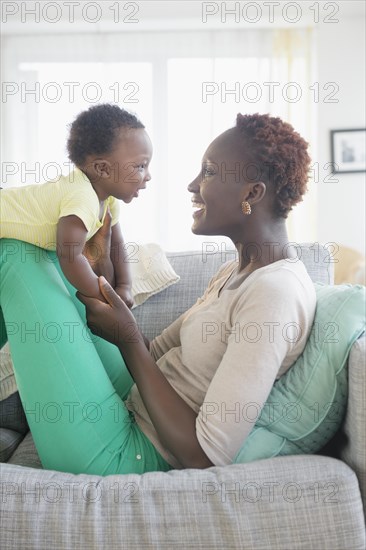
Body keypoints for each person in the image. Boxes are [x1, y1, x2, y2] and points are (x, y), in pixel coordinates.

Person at [0, 113, 316, 475]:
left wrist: (128, 337)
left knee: (14, 254)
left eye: (209, 172)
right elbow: (153, 354)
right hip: (136, 404)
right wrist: (108, 280)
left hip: (130, 454)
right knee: (40, 251)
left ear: (251, 193)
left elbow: (202, 455)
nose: (192, 185)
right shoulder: (236, 272)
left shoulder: (274, 293)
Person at [1, 103, 153, 306]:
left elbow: (116, 245)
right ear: (103, 169)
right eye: (141, 166)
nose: (148, 176)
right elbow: (69, 254)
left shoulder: (107, 200)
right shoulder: (81, 197)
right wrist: (104, 297)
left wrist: (124, 286)